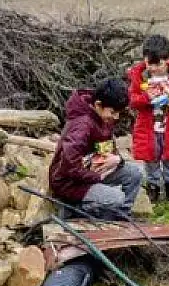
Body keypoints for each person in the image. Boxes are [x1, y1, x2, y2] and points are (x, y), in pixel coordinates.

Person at [48, 78, 144, 218]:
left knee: (135, 173)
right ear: (98, 105)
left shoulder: (103, 118)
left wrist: (117, 160)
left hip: (91, 171)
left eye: (118, 112)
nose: (116, 117)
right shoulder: (82, 126)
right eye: (113, 112)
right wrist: (97, 176)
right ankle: (73, 210)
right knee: (116, 198)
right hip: (70, 183)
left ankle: (120, 215)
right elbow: (69, 167)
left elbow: (108, 146)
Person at [127, 34, 169, 204]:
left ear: (167, 60)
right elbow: (131, 100)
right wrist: (146, 97)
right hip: (148, 127)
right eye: (150, 63)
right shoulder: (139, 75)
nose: (154, 68)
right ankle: (153, 186)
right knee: (151, 157)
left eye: (158, 64)